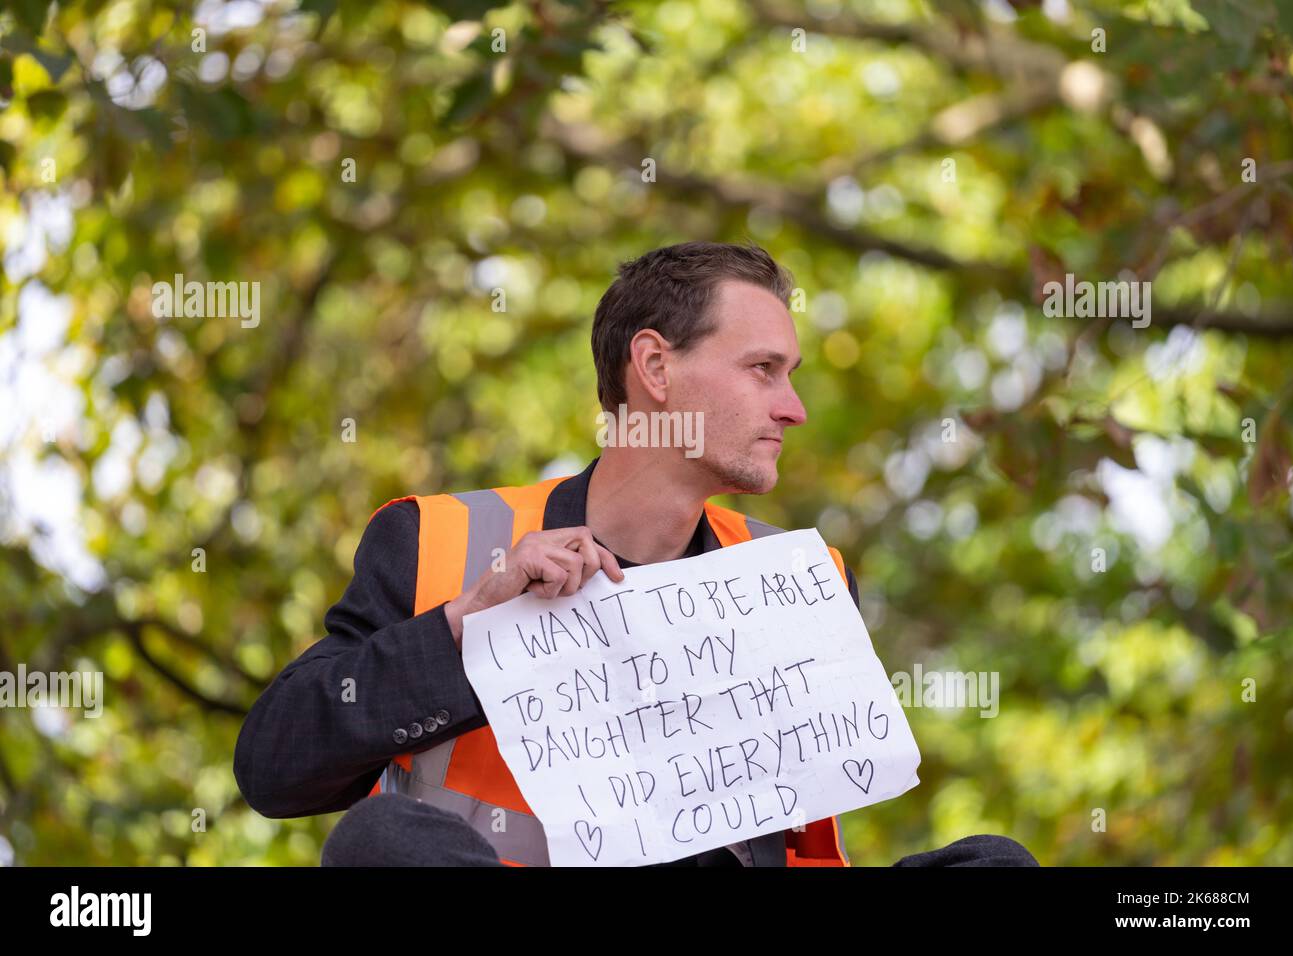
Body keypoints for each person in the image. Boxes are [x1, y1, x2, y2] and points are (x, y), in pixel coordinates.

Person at [234, 240, 1039, 868]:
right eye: (764, 370)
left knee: (994, 863)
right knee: (383, 840)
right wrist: (463, 627)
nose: (792, 409)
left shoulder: (806, 587)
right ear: (654, 366)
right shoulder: (440, 544)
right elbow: (275, 768)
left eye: (789, 376)